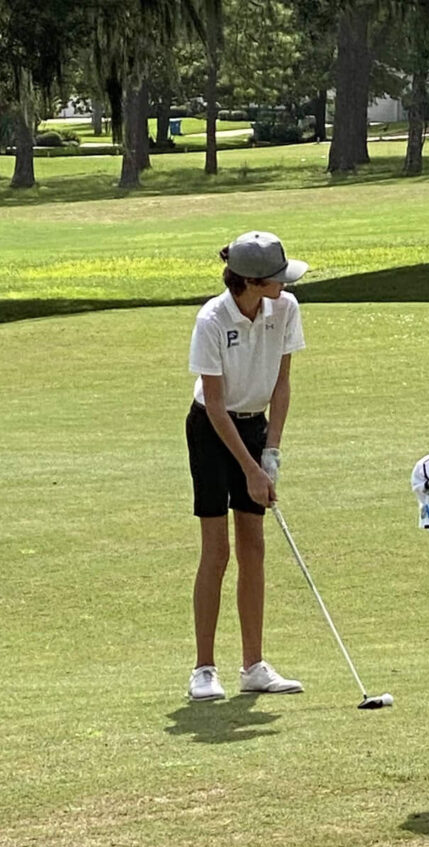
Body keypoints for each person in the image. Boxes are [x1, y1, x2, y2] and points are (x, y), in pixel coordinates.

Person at [185, 230, 309, 702]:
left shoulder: (286, 308)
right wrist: (251, 471)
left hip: (256, 428)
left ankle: (254, 665)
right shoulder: (212, 319)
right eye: (276, 277)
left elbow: (282, 384)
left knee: (253, 546)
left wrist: (270, 452)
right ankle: (203, 669)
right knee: (217, 551)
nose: (285, 283)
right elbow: (215, 405)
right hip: (211, 432)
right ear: (252, 282)